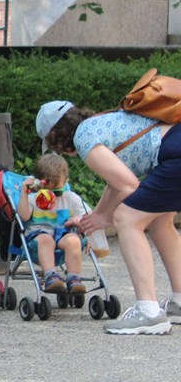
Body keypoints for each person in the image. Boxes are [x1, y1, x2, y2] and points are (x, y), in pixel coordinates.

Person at [37, 99, 181, 334]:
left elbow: (128, 185)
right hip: (175, 149)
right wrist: (98, 214)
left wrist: (105, 216)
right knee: (160, 221)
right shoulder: (100, 123)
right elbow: (117, 182)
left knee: (126, 218)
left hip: (175, 155)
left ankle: (148, 311)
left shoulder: (84, 138)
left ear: (57, 136)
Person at [16, 153, 86, 295]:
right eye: (47, 191)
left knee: (73, 240)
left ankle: (74, 278)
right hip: (38, 237)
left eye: (58, 191)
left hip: (61, 233)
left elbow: (85, 215)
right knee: (46, 239)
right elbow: (23, 216)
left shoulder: (69, 197)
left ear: (66, 182)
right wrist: (24, 193)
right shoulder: (33, 198)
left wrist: (78, 221)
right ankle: (50, 276)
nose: (53, 196)